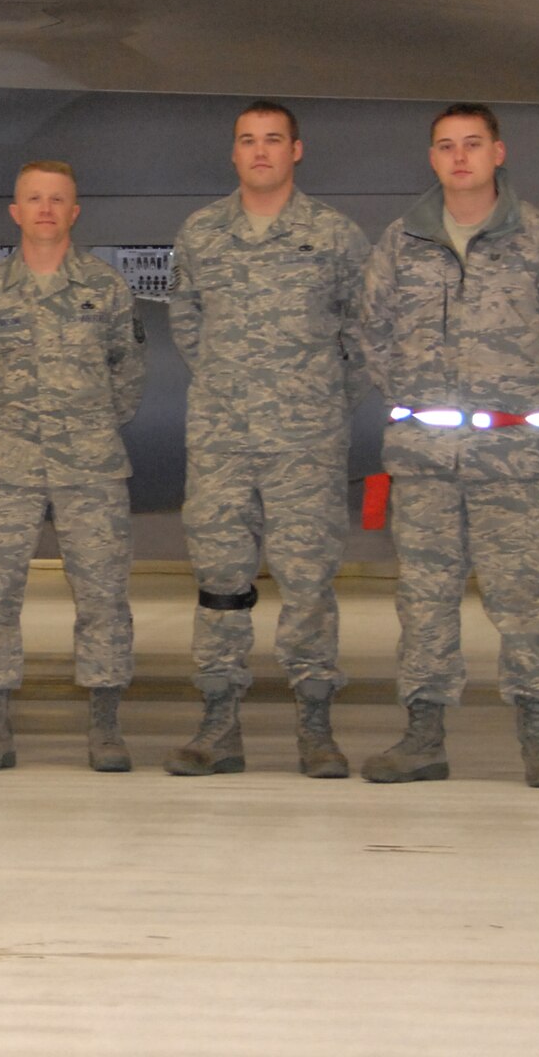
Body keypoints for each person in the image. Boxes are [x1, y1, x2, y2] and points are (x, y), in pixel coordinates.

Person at [357, 103, 539, 788]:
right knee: (425, 597)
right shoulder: (402, 242)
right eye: (445, 146)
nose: (459, 157)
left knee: (520, 596)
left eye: (472, 144)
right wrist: (403, 397)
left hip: (513, 455)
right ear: (432, 158)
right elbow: (368, 329)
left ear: (499, 153)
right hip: (427, 460)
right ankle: (424, 738)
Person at [163, 101, 370, 778]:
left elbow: (363, 335)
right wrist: (233, 387)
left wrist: (318, 400)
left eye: (273, 140)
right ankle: (219, 725)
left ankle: (316, 729)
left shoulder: (334, 236)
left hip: (305, 443)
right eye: (248, 141)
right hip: (223, 441)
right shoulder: (201, 234)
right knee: (220, 583)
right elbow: (188, 322)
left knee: (309, 583)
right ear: (234, 153)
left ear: (296, 151)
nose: (260, 152)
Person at [0, 161, 145, 772]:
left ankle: (106, 726)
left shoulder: (106, 289)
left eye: (56, 200)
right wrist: (13, 433)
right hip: (6, 468)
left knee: (104, 594)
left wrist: (84, 429)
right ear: (15, 211)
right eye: (33, 199)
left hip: (90, 468)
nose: (44, 209)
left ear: (73, 211)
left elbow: (129, 376)